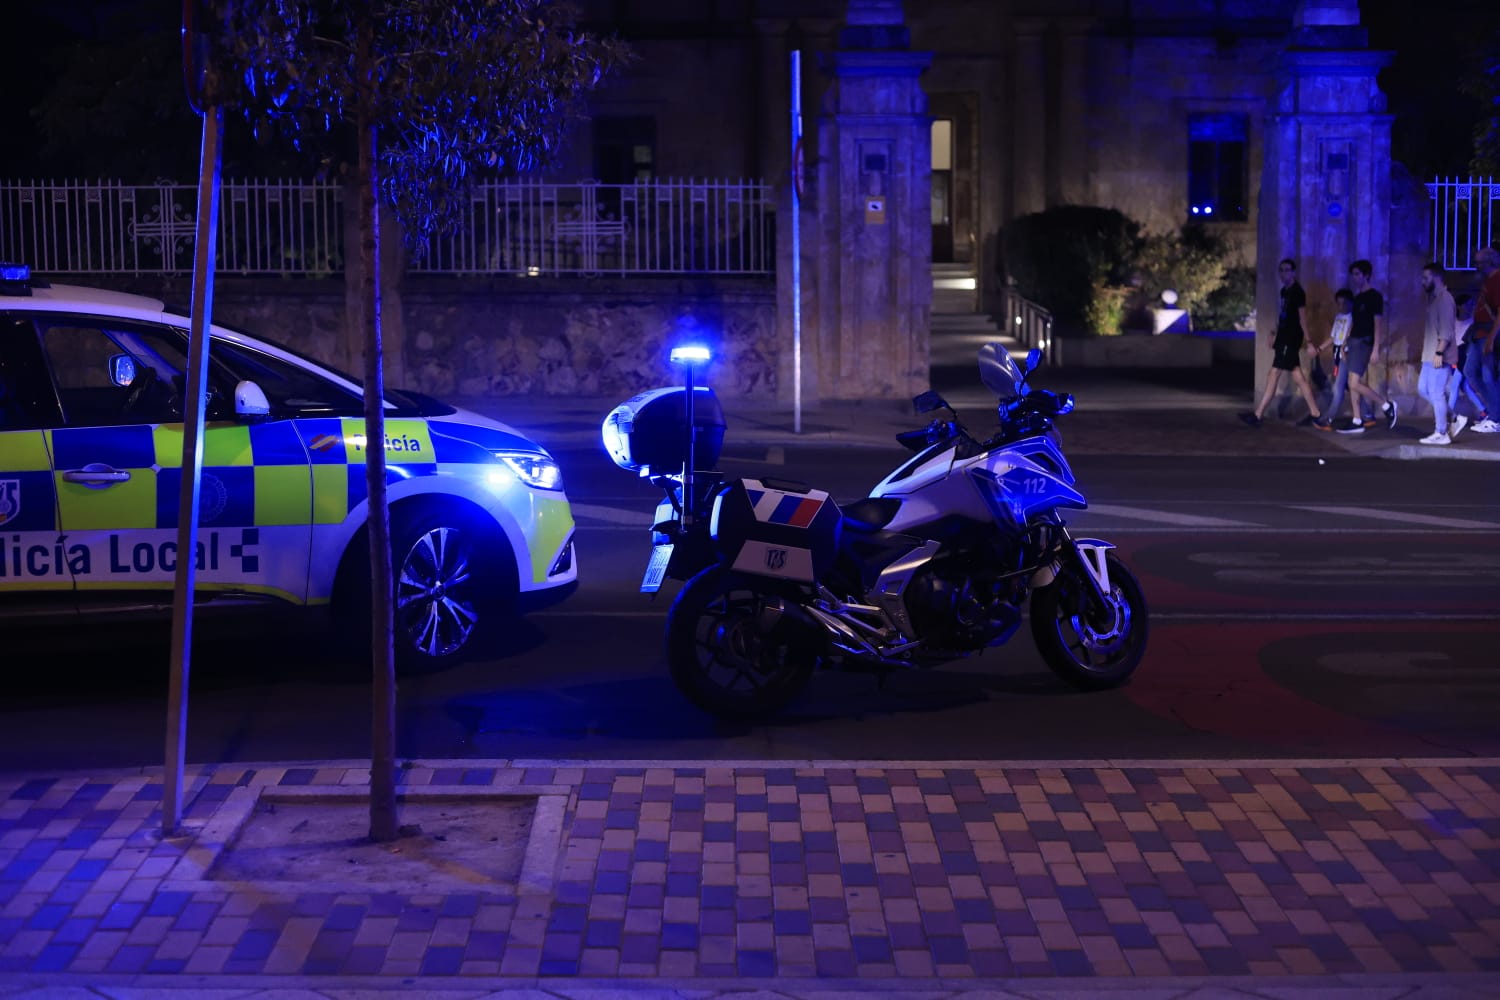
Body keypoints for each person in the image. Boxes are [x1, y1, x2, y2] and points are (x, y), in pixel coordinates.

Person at [1240, 258, 1322, 427]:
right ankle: (1315, 413)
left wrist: (1309, 341)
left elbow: (1302, 319)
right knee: (1298, 377)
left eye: (1287, 270)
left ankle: (1258, 415)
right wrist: (1273, 333)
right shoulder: (1284, 291)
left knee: (1274, 374)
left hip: (1291, 338)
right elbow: (1283, 316)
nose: (1283, 273)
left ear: (1293, 272)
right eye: (1281, 270)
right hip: (1283, 337)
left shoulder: (1298, 292)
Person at [1332, 259, 1397, 434]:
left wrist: (1376, 348)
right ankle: (1357, 419)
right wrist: (1345, 341)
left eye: (1357, 274)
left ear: (1366, 275)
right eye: (1353, 274)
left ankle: (1386, 404)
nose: (1355, 278)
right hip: (1353, 341)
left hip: (1364, 342)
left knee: (1353, 382)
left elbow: (1377, 323)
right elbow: (1354, 321)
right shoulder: (1358, 296)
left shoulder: (1374, 296)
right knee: (1354, 382)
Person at [1416, 262, 1458, 445]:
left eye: (1426, 278)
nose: (1422, 282)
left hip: (1439, 354)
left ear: (1437, 278)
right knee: (1423, 389)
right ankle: (1454, 417)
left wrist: (1439, 352)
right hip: (1429, 354)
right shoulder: (1433, 300)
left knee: (1436, 391)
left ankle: (1441, 432)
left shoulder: (1445, 299)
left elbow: (1447, 331)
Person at [1465, 246, 1500, 433]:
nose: (1477, 266)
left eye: (1480, 262)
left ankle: (1495, 418)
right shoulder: (1488, 281)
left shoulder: (1497, 279)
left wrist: (1491, 339)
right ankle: (1495, 411)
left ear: (1490, 261)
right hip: (1479, 333)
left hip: (1488, 334)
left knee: (1488, 376)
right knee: (1470, 372)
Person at [1310, 288, 1354, 431]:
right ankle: (1367, 414)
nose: (1342, 306)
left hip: (1347, 355)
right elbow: (1333, 337)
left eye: (1344, 303)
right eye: (1339, 304)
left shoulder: (1353, 317)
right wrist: (1320, 349)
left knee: (1338, 387)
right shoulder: (1339, 317)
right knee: (1350, 385)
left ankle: (1328, 418)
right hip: (1337, 355)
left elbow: (1349, 337)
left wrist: (1344, 348)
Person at [1446, 294, 1481, 437]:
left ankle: (1448, 415)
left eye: (1471, 304)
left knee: (1455, 386)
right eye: (1467, 304)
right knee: (1465, 387)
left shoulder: (1472, 321)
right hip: (1454, 355)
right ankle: (1484, 411)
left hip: (1464, 356)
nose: (1469, 307)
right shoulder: (1453, 321)